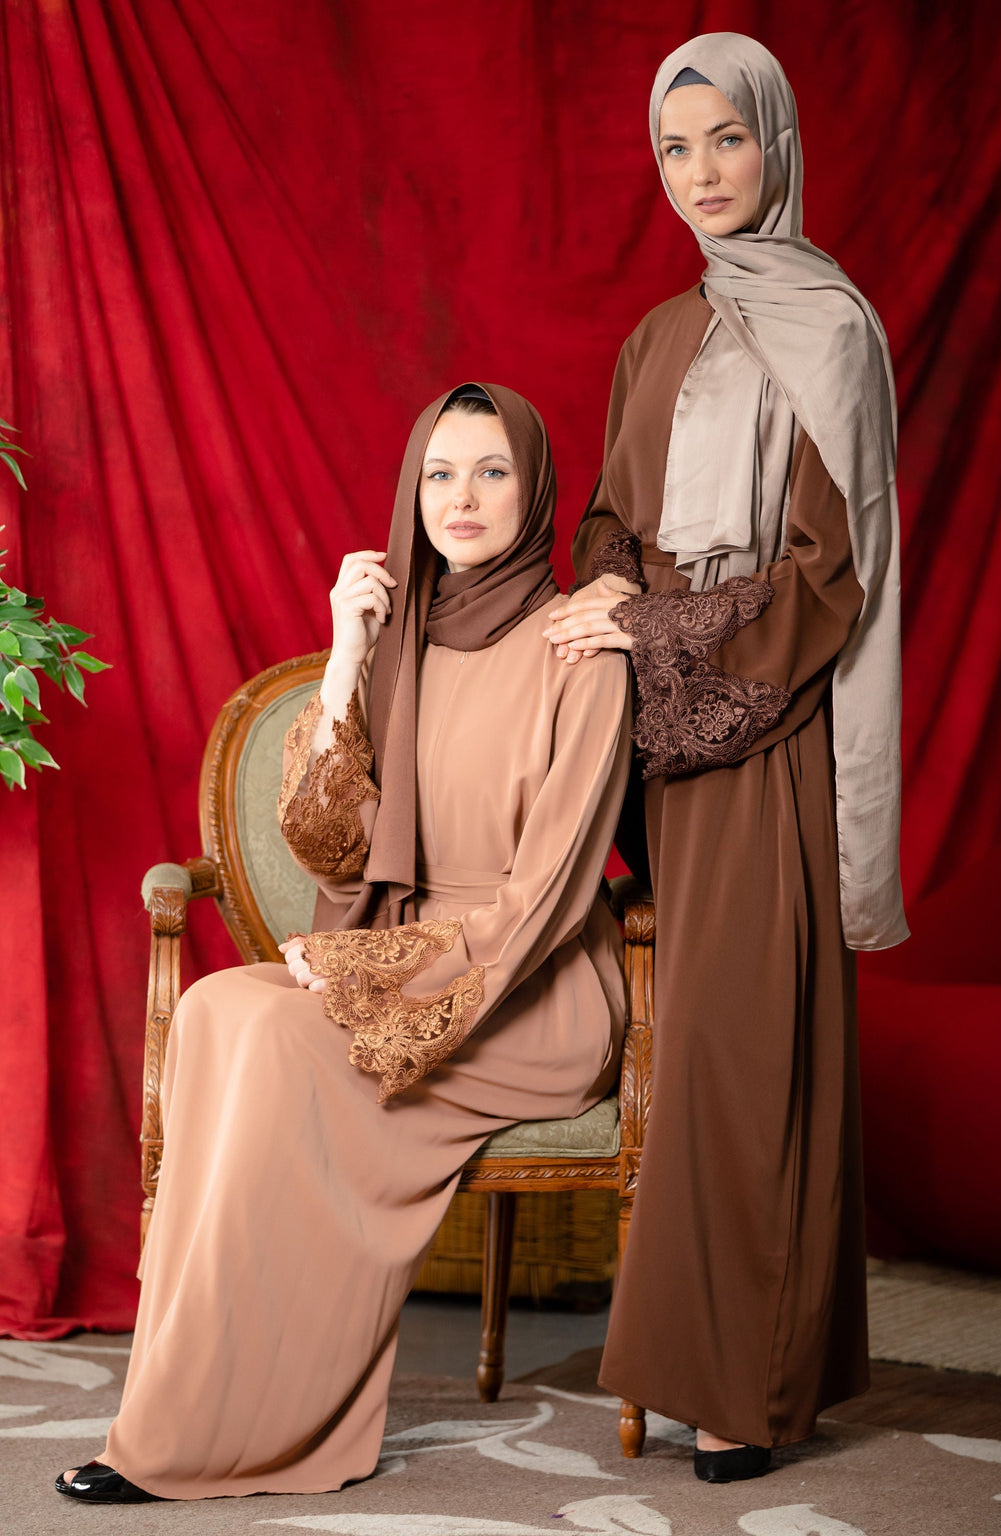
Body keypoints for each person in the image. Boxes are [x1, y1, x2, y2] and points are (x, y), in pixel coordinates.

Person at [56, 383, 631, 1503]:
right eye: (437, 474)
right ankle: (182, 1404)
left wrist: (383, 974)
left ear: (536, 486)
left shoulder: (580, 647)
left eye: (492, 471)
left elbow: (555, 893)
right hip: (411, 953)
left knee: (275, 1040)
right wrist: (342, 653)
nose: (460, 498)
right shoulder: (400, 641)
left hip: (532, 988)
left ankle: (237, 1432)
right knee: (222, 1009)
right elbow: (332, 855)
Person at [543, 34, 908, 1484]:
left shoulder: (831, 327)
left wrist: (659, 625)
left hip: (769, 721)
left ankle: (748, 1386)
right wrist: (607, 592)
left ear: (777, 145)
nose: (699, 176)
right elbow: (612, 523)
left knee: (743, 1054)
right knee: (696, 1047)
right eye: (674, 151)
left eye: (725, 143)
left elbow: (833, 573)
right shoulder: (658, 334)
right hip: (663, 725)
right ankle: (732, 1359)